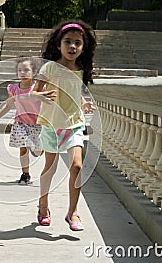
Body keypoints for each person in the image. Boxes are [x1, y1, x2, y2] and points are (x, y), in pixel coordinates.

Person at [32, 20, 97, 231]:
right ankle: (43, 206)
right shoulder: (49, 67)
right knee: (49, 169)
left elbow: (73, 91)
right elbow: (34, 92)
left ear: (83, 47)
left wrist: (83, 102)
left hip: (74, 124)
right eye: (67, 42)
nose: (72, 47)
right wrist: (43, 96)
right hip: (52, 125)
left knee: (77, 166)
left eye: (77, 43)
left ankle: (73, 212)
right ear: (58, 44)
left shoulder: (80, 68)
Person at [0, 57, 44, 184]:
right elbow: (9, 105)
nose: (23, 73)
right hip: (21, 123)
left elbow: (48, 102)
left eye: (26, 70)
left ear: (34, 72)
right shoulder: (14, 89)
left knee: (38, 151)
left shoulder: (38, 88)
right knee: (23, 147)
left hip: (38, 124)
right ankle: (25, 174)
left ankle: (35, 149)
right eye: (20, 70)